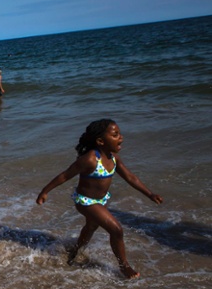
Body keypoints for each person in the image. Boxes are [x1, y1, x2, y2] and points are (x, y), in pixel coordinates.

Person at [36, 119, 163, 279]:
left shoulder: (114, 158)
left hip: (100, 201)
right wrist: (44, 191)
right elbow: (65, 175)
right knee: (116, 229)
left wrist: (149, 194)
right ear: (101, 141)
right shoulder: (90, 159)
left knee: (90, 228)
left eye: (120, 134)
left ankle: (74, 252)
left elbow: (131, 177)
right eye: (115, 135)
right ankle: (125, 267)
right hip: (85, 202)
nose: (121, 137)